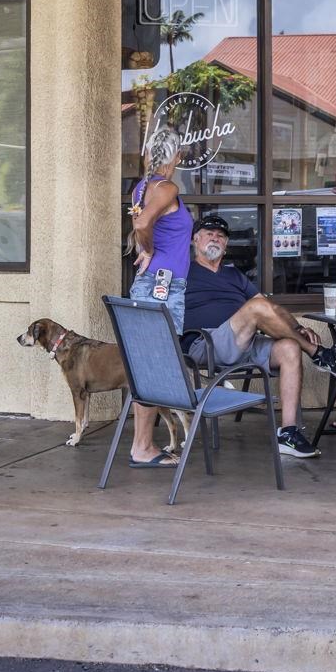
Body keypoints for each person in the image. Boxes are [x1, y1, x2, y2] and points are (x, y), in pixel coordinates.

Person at [182, 214, 331, 459]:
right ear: (195, 241)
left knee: (290, 347)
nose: (215, 238)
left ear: (226, 244)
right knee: (256, 308)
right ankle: (319, 354)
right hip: (205, 343)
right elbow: (258, 308)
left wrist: (297, 327)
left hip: (243, 341)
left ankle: (289, 433)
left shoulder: (233, 275)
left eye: (220, 235)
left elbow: (271, 307)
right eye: (209, 234)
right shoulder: (184, 271)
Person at [123, 126, 194, 468]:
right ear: (177, 156)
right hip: (163, 286)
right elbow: (141, 226)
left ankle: (142, 445)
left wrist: (145, 248)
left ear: (151, 155)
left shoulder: (141, 187)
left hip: (151, 284)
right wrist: (149, 248)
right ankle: (142, 447)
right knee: (152, 366)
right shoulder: (166, 188)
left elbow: (141, 224)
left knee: (147, 365)